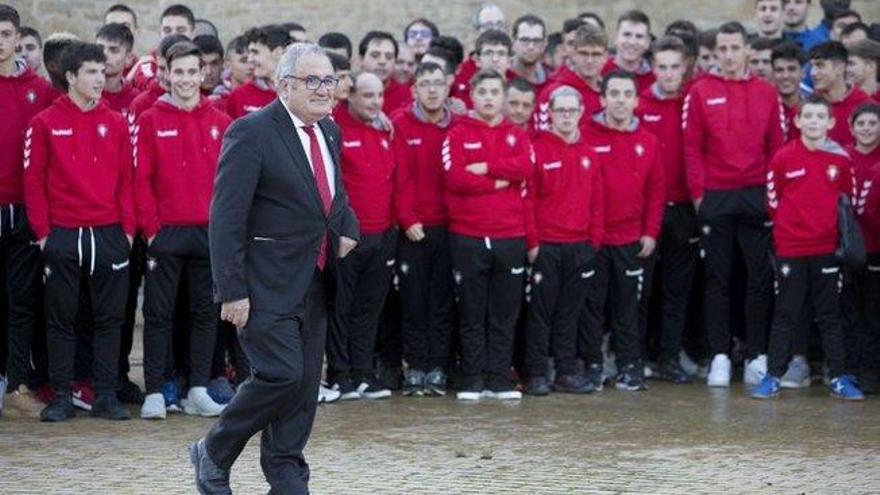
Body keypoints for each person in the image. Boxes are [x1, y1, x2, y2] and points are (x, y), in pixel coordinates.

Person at [191, 43, 359, 494]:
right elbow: (226, 218)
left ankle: (286, 475)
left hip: (317, 280)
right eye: (313, 81)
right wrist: (231, 290)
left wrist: (349, 226)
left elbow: (334, 195)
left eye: (330, 80)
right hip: (263, 284)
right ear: (285, 85)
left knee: (303, 389)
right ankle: (214, 450)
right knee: (281, 375)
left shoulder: (329, 132)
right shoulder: (251, 132)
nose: (325, 90)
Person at [25, 42, 135, 422]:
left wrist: (128, 234)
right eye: (91, 72)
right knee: (61, 320)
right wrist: (44, 234)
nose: (99, 79)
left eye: (101, 72)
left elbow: (127, 181)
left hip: (109, 235)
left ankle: (105, 396)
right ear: (70, 77)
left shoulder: (117, 122)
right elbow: (34, 182)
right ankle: (61, 396)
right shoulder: (44, 122)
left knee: (109, 320)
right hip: (63, 236)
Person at [684, 22, 785, 388]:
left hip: (756, 195)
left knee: (759, 279)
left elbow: (777, 148)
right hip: (716, 197)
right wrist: (699, 197)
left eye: (734, 48)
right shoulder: (700, 91)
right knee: (717, 281)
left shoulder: (766, 93)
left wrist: (773, 199)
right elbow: (692, 148)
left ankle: (757, 355)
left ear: (746, 50)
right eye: (722, 49)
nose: (728, 55)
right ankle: (720, 357)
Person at [134, 41, 232, 420]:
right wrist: (153, 230)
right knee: (159, 314)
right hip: (167, 235)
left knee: (205, 315)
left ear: (203, 74)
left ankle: (198, 389)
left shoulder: (220, 121)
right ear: (166, 74)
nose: (187, 79)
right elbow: (141, 180)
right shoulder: (150, 120)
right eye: (180, 72)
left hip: (208, 235)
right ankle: (156, 391)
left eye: (194, 72)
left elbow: (228, 184)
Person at [752, 96, 863, 400]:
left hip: (827, 248)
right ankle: (773, 376)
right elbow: (773, 202)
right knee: (786, 313)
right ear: (797, 121)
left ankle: (839, 377)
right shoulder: (783, 158)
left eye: (820, 117)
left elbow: (847, 200)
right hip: (790, 248)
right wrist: (790, 230)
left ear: (830, 123)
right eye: (808, 116)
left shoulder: (841, 159)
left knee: (829, 314)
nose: (813, 121)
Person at [443, 69, 532, 402]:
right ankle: (472, 378)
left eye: (495, 92)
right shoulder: (457, 133)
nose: (489, 98)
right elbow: (455, 178)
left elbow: (526, 168)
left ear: (503, 96)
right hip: (468, 235)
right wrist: (498, 181)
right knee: (471, 310)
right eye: (483, 92)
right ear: (473, 96)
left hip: (510, 235)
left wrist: (485, 166)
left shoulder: (517, 135)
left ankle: (499, 378)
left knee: (504, 312)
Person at [579, 71, 664, 392]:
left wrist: (650, 232)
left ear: (636, 101)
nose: (620, 100)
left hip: (631, 240)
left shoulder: (647, 141)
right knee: (592, 306)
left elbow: (656, 192)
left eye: (627, 94)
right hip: (594, 241)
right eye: (613, 94)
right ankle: (594, 364)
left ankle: (630, 365)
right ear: (602, 99)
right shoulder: (586, 135)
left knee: (629, 307)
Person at [524, 85, 603, 396]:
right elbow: (527, 200)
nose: (566, 116)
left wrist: (593, 242)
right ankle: (537, 372)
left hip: (580, 246)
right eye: (561, 111)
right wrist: (533, 243)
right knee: (541, 314)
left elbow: (598, 201)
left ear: (581, 113)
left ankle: (566, 371)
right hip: (546, 246)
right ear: (550, 114)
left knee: (571, 313)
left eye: (572, 110)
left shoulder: (589, 153)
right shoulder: (537, 149)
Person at [326, 72, 397, 400]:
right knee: (341, 307)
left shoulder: (384, 130)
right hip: (348, 237)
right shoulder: (336, 129)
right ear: (350, 96)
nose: (375, 102)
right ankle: (340, 375)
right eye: (368, 96)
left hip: (382, 235)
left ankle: (363, 371)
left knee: (369, 308)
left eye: (380, 96)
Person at [0, 3, 54, 418]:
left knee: (22, 302)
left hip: (24, 210)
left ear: (17, 38)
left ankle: (17, 384)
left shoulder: (40, 89)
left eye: (5, 34)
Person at [392, 61, 456, 397]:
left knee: (442, 302)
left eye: (438, 83)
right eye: (425, 84)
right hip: (414, 229)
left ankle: (438, 368)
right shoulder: (401, 124)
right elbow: (400, 176)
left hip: (450, 227)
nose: (432, 90)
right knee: (415, 302)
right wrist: (408, 218)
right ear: (415, 89)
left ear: (447, 88)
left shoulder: (458, 124)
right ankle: (415, 366)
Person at [636, 36, 696, 384]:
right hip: (647, 211)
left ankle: (669, 358)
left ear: (685, 66)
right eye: (662, 67)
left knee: (677, 289)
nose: (669, 73)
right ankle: (636, 356)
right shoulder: (640, 105)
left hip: (686, 208)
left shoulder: (693, 102)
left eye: (675, 66)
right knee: (643, 289)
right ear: (653, 68)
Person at [848, 102, 880, 394]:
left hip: (875, 246)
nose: (867, 129)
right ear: (852, 127)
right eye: (862, 124)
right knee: (851, 310)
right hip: (850, 248)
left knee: (872, 311)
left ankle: (869, 371)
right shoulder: (843, 157)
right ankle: (849, 368)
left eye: (873, 123)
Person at [534, 25, 607, 132]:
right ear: (574, 54)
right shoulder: (551, 93)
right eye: (584, 53)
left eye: (596, 54)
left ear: (605, 57)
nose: (589, 60)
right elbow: (541, 141)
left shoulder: (611, 95)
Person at [810, 41, 872, 147]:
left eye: (820, 66)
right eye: (812, 66)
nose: (813, 73)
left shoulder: (867, 106)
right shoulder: (808, 105)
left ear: (839, 68)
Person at [225, 25, 290, 119]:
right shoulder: (239, 96)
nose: (250, 59)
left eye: (255, 52)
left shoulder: (300, 91)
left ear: (278, 52)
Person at [127, 4, 195, 91]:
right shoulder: (149, 62)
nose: (173, 35)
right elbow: (146, 84)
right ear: (160, 33)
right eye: (167, 30)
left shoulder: (205, 59)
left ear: (193, 32)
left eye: (180, 30)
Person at [602, 10, 655, 92]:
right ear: (616, 38)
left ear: (647, 42)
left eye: (639, 36)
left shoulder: (655, 79)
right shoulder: (600, 71)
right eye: (627, 34)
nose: (632, 42)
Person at [359, 31, 411, 114]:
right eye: (375, 55)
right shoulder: (349, 93)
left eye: (389, 57)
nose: (382, 61)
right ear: (361, 59)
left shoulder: (407, 96)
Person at [97, 23, 139, 115]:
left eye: (113, 50)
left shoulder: (136, 100)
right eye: (100, 48)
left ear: (128, 58)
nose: (104, 55)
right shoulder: (81, 94)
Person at [772, 42, 809, 142]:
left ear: (803, 73)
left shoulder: (813, 105)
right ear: (773, 74)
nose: (785, 76)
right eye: (779, 70)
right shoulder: (764, 107)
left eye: (791, 69)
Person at [510, 15, 550, 94]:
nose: (531, 47)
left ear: (545, 43)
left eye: (536, 41)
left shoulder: (550, 81)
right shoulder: (501, 77)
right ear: (513, 42)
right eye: (524, 40)